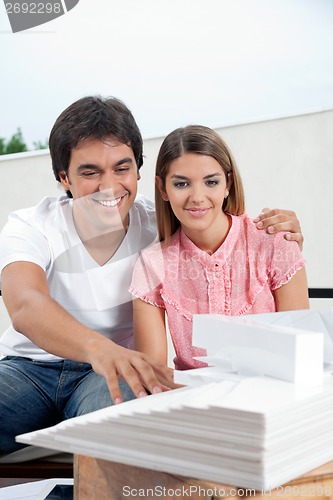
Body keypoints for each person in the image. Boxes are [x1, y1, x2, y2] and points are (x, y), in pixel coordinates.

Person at [0, 97, 303, 455]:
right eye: (90, 171)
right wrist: (101, 350)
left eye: (121, 168)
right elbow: (25, 304)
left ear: (140, 173)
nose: (108, 186)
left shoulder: (160, 222)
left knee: (128, 425)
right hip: (28, 368)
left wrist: (283, 230)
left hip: (111, 376)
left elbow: (215, 216)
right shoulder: (31, 225)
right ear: (64, 177)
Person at [130, 125, 309, 371]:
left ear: (228, 184)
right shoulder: (151, 264)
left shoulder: (275, 241)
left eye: (211, 182)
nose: (197, 196)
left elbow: (300, 355)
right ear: (163, 189)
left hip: (274, 394)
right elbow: (153, 373)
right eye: (182, 184)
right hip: (195, 400)